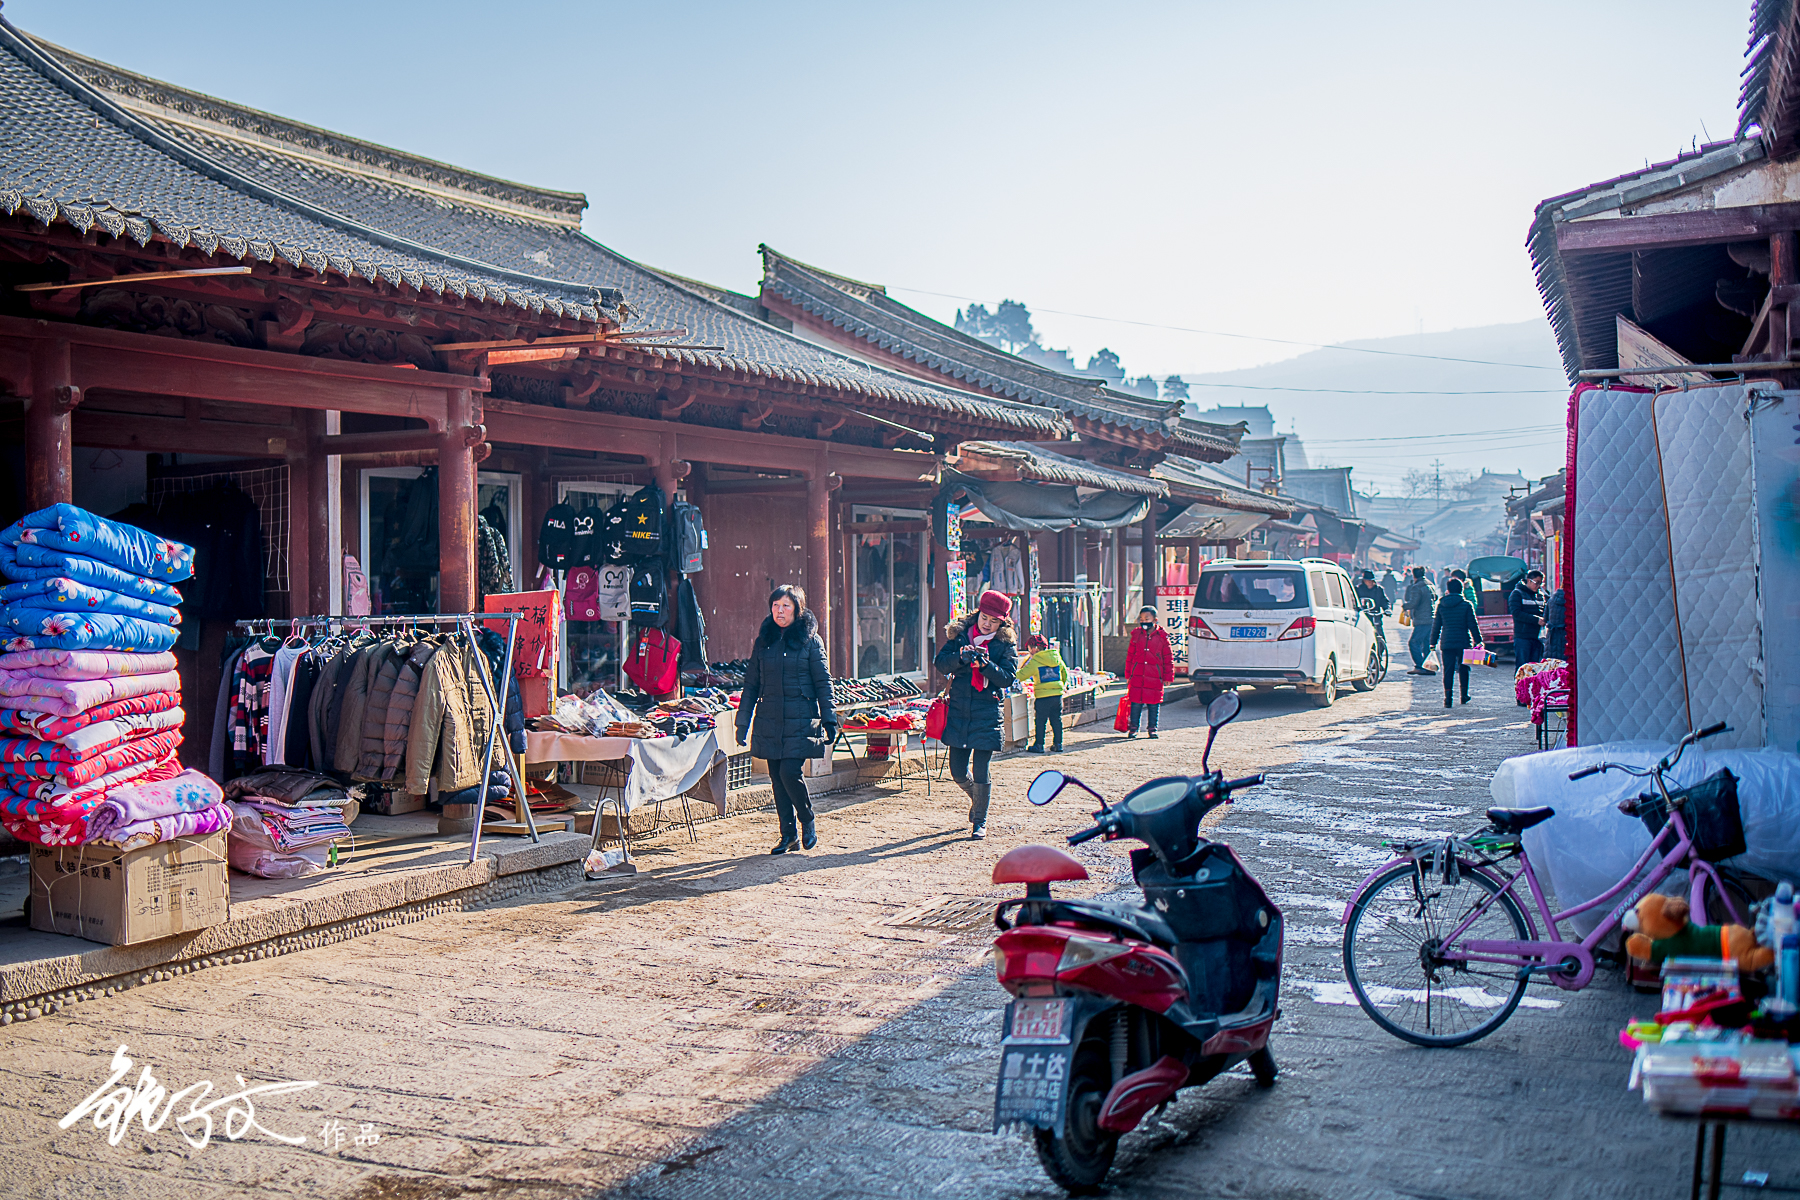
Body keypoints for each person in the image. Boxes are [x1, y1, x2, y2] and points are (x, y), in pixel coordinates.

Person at [735, 584, 838, 855]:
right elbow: (751, 684)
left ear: (797, 608)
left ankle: (807, 819)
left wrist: (829, 719)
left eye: (786, 606)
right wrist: (742, 722)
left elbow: (823, 682)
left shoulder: (811, 640)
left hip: (800, 717)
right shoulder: (764, 640)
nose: (780, 611)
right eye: (776, 605)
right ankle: (787, 834)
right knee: (776, 779)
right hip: (769, 718)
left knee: (789, 772)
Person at [934, 590, 1019, 839]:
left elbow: (1007, 678)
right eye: (984, 617)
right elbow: (940, 663)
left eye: (993, 621)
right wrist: (961, 657)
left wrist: (986, 665)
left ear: (1002, 622)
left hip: (987, 712)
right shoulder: (960, 635)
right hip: (960, 710)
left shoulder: (1005, 644)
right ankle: (977, 799)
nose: (986, 623)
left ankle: (980, 820)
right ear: (977, 613)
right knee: (957, 770)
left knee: (982, 769)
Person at [1430, 577, 1483, 708]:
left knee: (1448, 670)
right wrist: (1479, 640)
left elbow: (1437, 625)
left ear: (1448, 589)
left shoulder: (1441, 604)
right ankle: (1464, 696)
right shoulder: (1466, 604)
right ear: (1461, 589)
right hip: (1464, 641)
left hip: (1447, 641)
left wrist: (1432, 642)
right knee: (1464, 668)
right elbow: (1473, 625)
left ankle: (1448, 699)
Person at [1125, 605, 1174, 738]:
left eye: (1147, 618)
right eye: (1141, 618)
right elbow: (1130, 656)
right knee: (1135, 703)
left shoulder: (1162, 637)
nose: (1144, 621)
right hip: (1138, 675)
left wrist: (1168, 676)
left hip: (1155, 676)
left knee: (1154, 704)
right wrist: (1128, 674)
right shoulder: (1136, 635)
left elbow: (1168, 658)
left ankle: (1152, 728)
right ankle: (1133, 728)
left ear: (1155, 620)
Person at [1021, 633, 1069, 754]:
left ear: (1035, 648)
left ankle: (1039, 745)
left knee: (1041, 721)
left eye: (1029, 648)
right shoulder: (1056, 656)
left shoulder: (1036, 661)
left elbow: (1022, 675)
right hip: (1057, 695)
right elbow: (1064, 673)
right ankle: (1058, 744)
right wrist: (1061, 685)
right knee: (1056, 720)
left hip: (1042, 696)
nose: (1029, 651)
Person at [1509, 570, 1547, 672]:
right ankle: (1520, 687)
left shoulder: (1540, 595)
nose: (1538, 586)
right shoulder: (1517, 594)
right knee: (1523, 668)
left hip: (1537, 637)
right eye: (1536, 583)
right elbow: (1517, 613)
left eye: (1540, 583)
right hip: (1523, 637)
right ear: (1529, 581)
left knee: (1535, 668)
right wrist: (1536, 620)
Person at [1402, 566, 1438, 675]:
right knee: (1426, 644)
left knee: (1413, 642)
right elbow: (1435, 597)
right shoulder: (1430, 585)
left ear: (1414, 575)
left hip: (1422, 619)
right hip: (1430, 618)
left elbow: (1414, 603)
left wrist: (1405, 606)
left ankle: (1419, 665)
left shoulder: (1417, 587)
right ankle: (1428, 668)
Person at [1546, 585, 1567, 660]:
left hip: (1552, 636)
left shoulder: (1551, 600)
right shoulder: (1572, 601)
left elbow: (1546, 618)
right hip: (1566, 636)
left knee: (1552, 664)